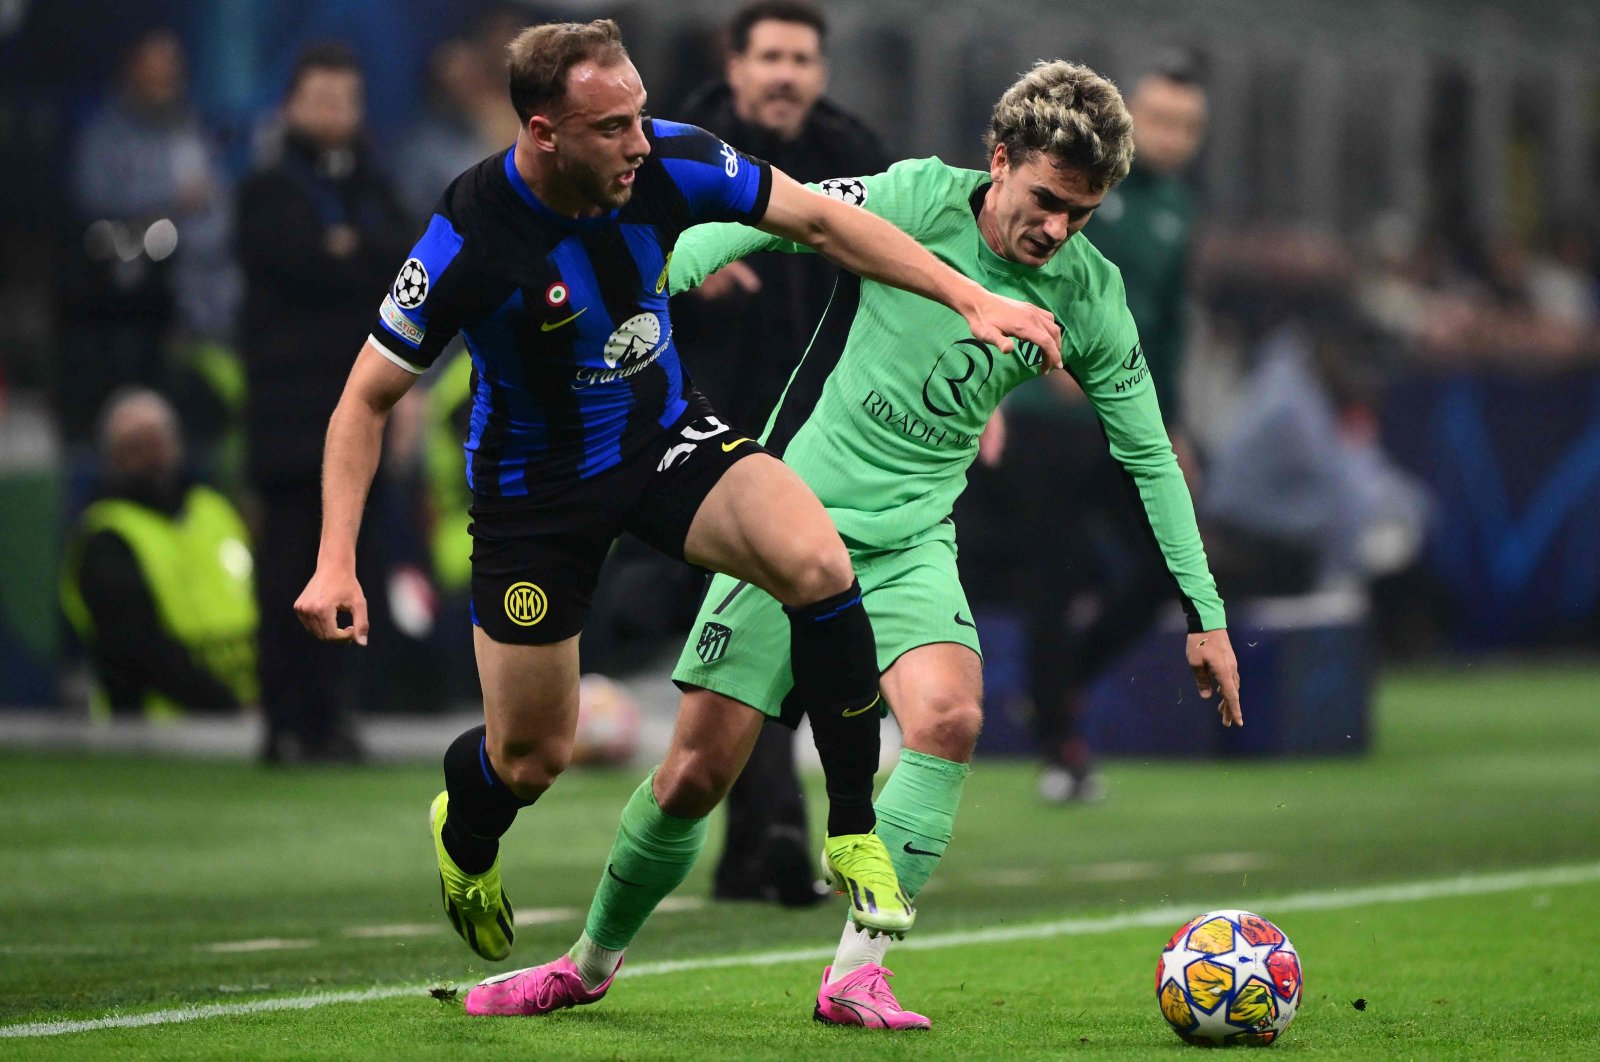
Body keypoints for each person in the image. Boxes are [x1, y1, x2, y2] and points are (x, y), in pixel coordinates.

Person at [290, 18, 1060, 988]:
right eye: (612, 127)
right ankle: (468, 828)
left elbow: (823, 221)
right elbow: (365, 398)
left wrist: (966, 297)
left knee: (817, 563)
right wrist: (333, 558)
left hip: (663, 441)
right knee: (531, 757)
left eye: (641, 115)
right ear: (542, 132)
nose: (639, 143)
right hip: (536, 499)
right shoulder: (469, 234)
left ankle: (854, 829)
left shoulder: (672, 161)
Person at [498, 59, 1243, 1030]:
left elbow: (1149, 456)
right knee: (692, 776)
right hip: (786, 525)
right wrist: (656, 279)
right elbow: (755, 215)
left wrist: (1207, 618)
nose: (1058, 229)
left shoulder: (1089, 295)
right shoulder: (910, 198)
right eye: (1048, 200)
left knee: (948, 721)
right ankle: (587, 963)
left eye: (1084, 214)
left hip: (910, 543)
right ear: (1000, 160)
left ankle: (858, 973)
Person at [674, 0, 890, 908]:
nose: (786, 74)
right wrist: (685, 259)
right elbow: (613, 249)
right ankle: (782, 831)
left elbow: (899, 263)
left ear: (821, 70)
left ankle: (746, 846)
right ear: (736, 62)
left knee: (788, 635)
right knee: (760, 630)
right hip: (701, 432)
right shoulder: (680, 145)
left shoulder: (857, 148)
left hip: (823, 433)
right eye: (770, 56)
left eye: (802, 58)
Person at [997, 57, 1210, 802]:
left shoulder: (1178, 209)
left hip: (1131, 418)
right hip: (1049, 416)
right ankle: (1063, 749)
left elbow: (1172, 329)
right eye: (1158, 119)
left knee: (1166, 570)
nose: (1171, 137)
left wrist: (1176, 425)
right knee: (1050, 582)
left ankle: (1056, 687)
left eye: (1186, 126)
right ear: (1128, 116)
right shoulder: (1079, 187)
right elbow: (1014, 264)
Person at [237, 42, 413, 763]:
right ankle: (282, 720)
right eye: (322, 99)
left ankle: (335, 714)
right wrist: (347, 257)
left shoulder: (375, 185)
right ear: (293, 105)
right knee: (286, 562)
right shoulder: (267, 188)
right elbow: (296, 263)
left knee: (356, 561)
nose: (336, 113)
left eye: (347, 99)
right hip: (289, 412)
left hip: (362, 406)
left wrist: (348, 249)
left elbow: (406, 261)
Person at [59, 389, 257, 718]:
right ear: (112, 458)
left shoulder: (213, 510)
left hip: (247, 715)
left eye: (158, 439)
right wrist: (233, 708)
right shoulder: (106, 536)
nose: (152, 455)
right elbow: (139, 651)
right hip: (154, 733)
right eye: (135, 445)